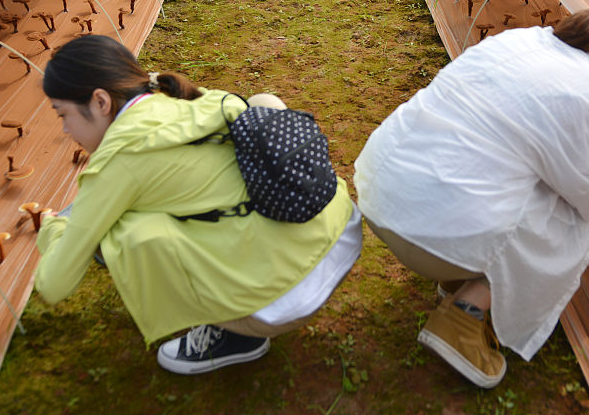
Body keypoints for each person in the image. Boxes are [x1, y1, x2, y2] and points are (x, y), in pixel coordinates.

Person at [354, 6, 589, 388]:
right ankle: (463, 316)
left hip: (382, 193)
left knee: (513, 177)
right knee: (569, 228)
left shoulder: (524, 38)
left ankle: (460, 273)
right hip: (428, 234)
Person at [34, 35, 361, 375]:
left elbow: (54, 285)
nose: (65, 129)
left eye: (64, 115)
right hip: (338, 227)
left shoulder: (116, 162)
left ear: (101, 101)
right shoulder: (185, 100)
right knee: (264, 103)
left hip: (289, 295)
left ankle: (236, 334)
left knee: (123, 235)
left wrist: (53, 227)